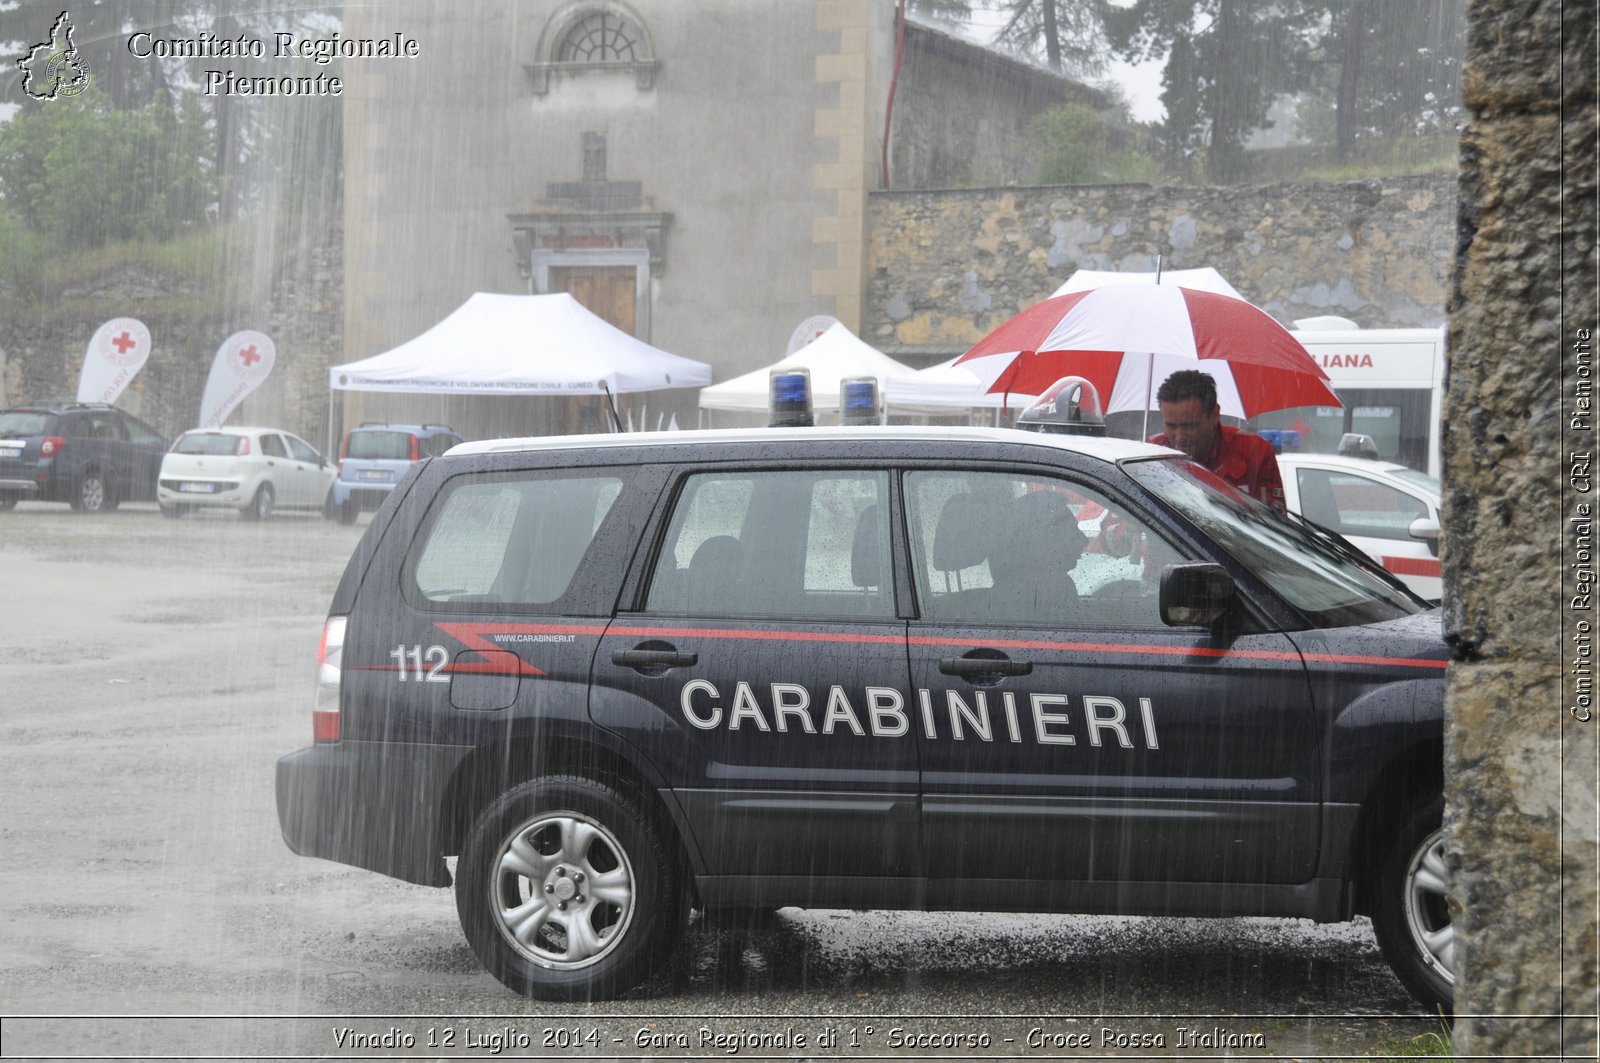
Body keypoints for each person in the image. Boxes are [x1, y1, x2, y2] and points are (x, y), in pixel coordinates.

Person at [1148, 369, 1285, 511]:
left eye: (1190, 426)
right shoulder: (1150, 454)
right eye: (1171, 426)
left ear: (1214, 415)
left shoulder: (1255, 451)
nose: (1180, 437)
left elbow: (1275, 522)